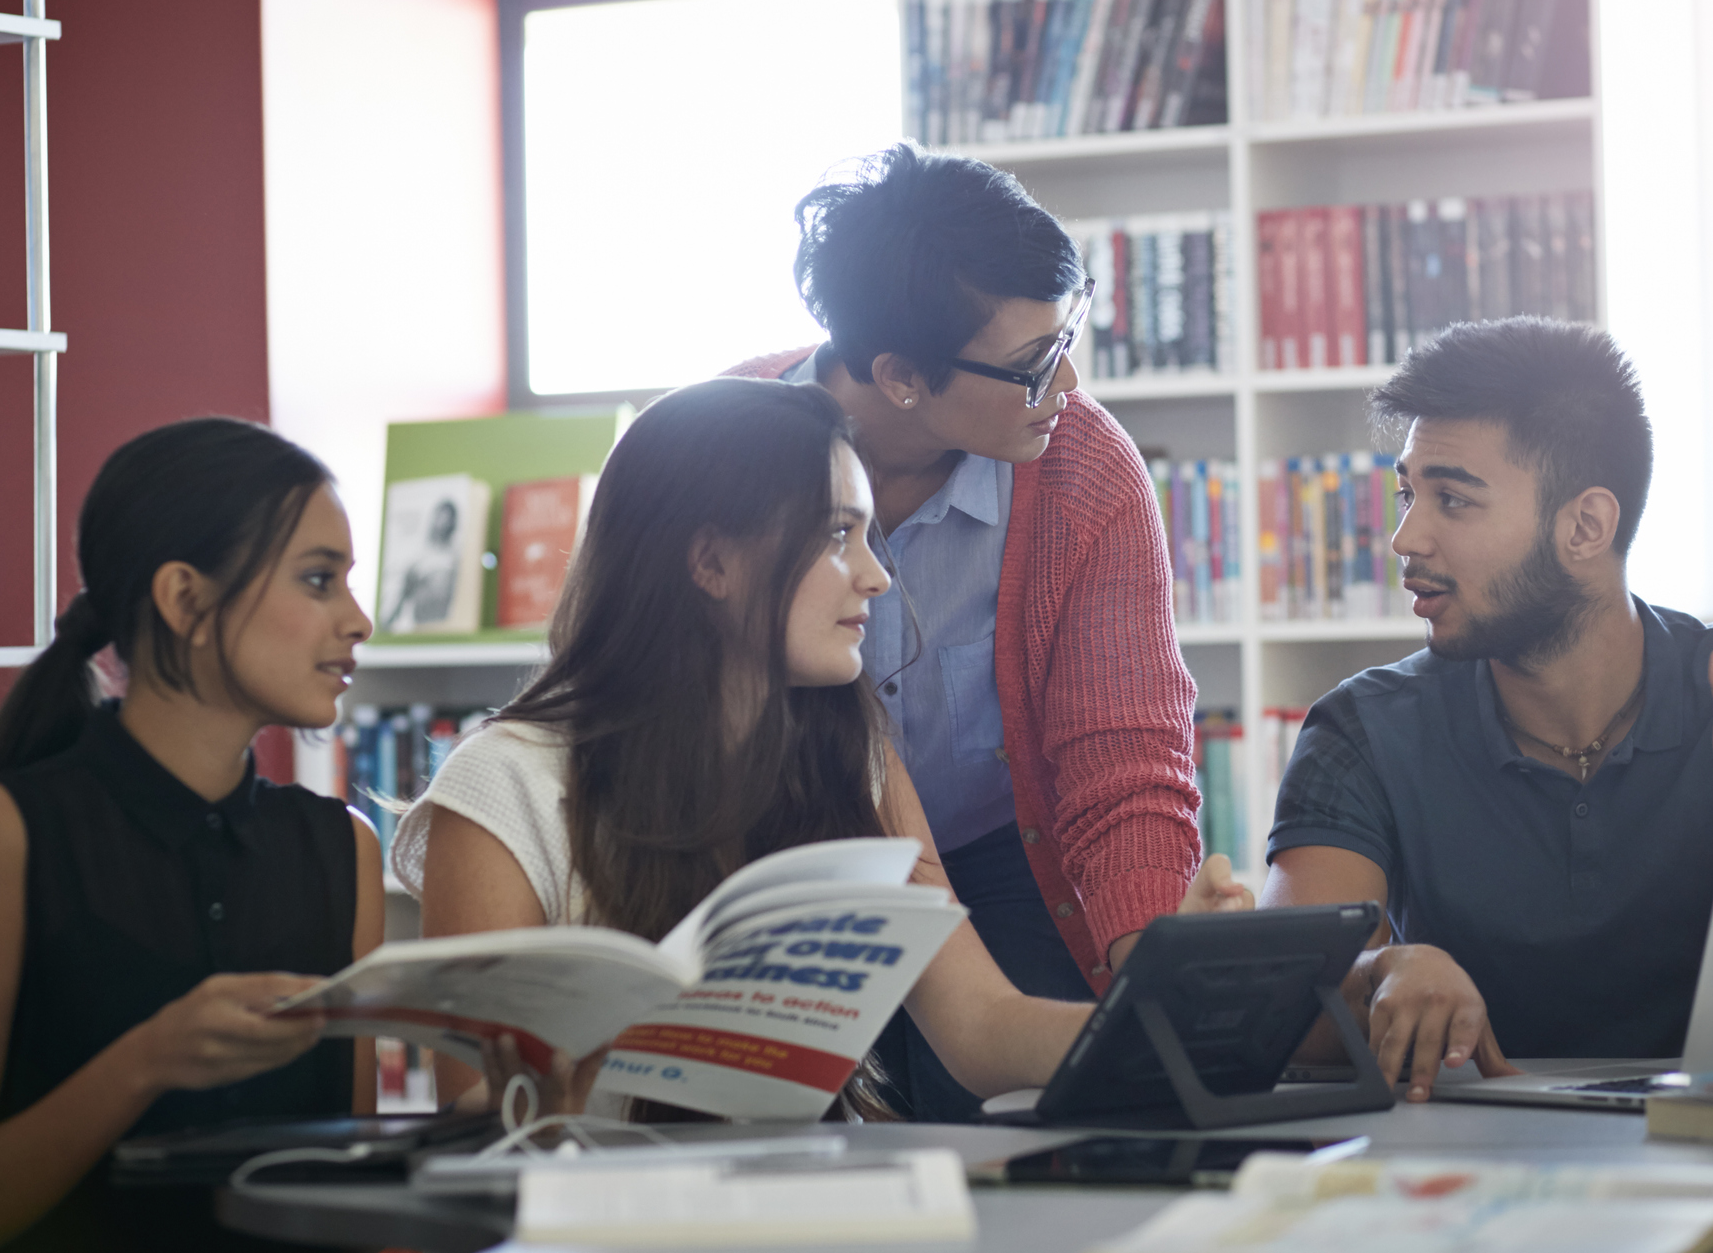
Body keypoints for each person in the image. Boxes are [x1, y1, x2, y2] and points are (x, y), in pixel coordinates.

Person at [391, 377, 1248, 1122]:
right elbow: (478, 1118)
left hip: (787, 1228)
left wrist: (1158, 1015)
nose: (875, 574)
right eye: (839, 534)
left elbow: (983, 1027)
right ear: (711, 561)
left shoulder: (853, 754)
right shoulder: (505, 785)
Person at [1261, 319, 1713, 1100]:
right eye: (1406, 493)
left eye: (1452, 499)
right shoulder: (1361, 731)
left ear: (1585, 526)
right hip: (1472, 1181)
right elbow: (1284, 1008)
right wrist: (1383, 971)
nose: (1404, 538)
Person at [724, 145, 1205, 1120]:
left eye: (1068, 335)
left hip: (1002, 853)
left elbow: (1127, 755)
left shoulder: (1088, 471)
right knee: (792, 1134)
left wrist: (1158, 965)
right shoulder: (724, 449)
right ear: (900, 375)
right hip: (783, 852)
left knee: (1059, 1104)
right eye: (1031, 367)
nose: (1066, 382)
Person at [0, 419, 385, 1253]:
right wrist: (146, 1063)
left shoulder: (340, 850)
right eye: (319, 579)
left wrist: (505, 1100)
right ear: (186, 601)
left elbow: (346, 1220)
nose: (358, 619)